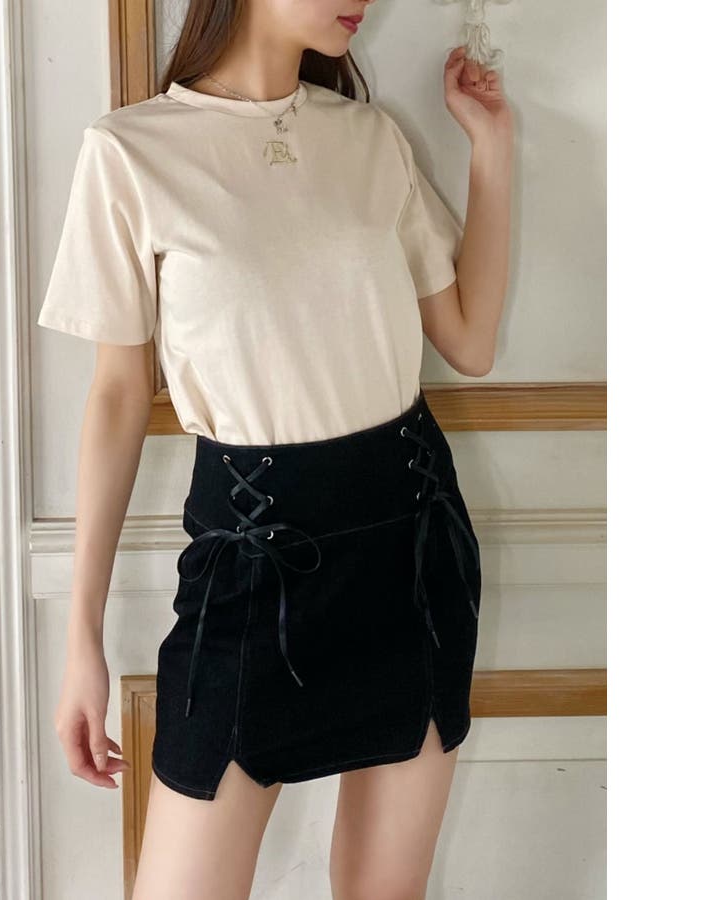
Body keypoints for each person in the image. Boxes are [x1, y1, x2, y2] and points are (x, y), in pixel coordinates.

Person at [38, 1, 513, 897]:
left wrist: (493, 146)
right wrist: (81, 641)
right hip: (249, 566)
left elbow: (471, 340)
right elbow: (116, 398)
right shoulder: (131, 152)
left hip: (412, 553)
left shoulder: (370, 138)